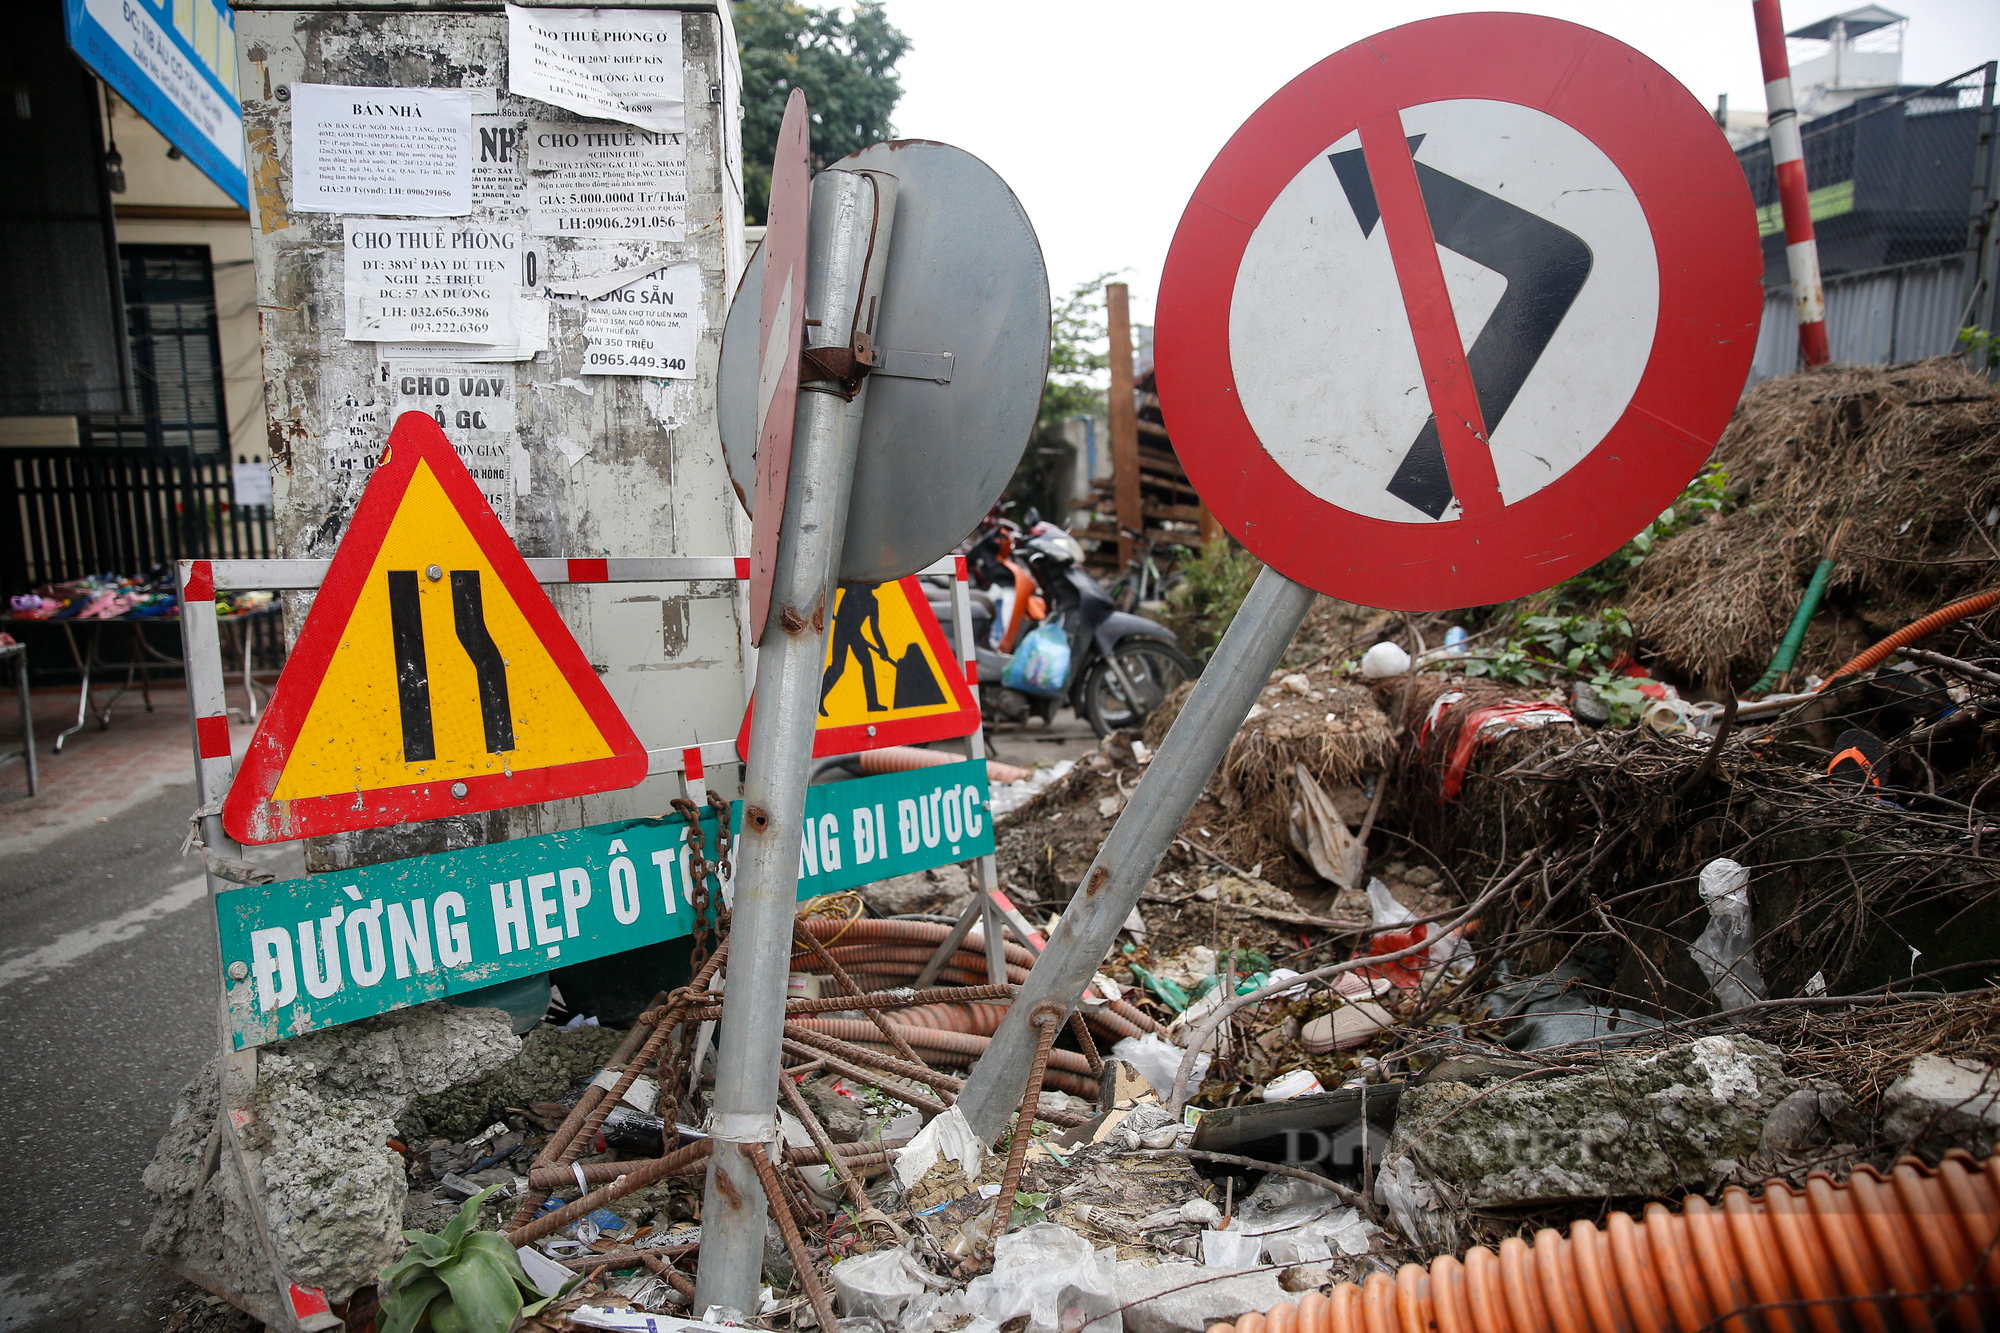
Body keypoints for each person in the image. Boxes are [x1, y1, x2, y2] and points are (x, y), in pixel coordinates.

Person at [820, 584, 891, 714]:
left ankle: (872, 704)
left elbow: (875, 629)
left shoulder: (873, 602)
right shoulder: (854, 588)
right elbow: (833, 585)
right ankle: (818, 700)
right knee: (838, 668)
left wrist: (883, 648)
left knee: (868, 665)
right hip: (841, 630)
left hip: (855, 634)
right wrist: (828, 608)